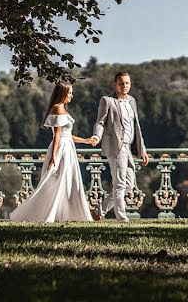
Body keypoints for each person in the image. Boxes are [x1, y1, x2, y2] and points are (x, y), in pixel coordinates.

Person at [9, 82, 95, 222]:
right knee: (56, 180)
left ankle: (65, 214)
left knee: (67, 180)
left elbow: (67, 134)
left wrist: (85, 141)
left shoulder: (61, 108)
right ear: (62, 94)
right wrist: (53, 156)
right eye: (69, 93)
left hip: (68, 147)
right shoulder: (57, 108)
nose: (71, 96)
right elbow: (57, 135)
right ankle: (48, 214)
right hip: (61, 149)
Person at [89, 71, 149, 222]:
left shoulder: (132, 101)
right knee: (120, 184)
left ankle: (98, 212)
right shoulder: (107, 100)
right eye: (121, 83)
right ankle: (122, 219)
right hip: (116, 147)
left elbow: (137, 127)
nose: (124, 86)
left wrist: (142, 149)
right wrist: (97, 135)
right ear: (115, 84)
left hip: (128, 148)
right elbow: (100, 122)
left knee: (128, 184)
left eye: (127, 83)